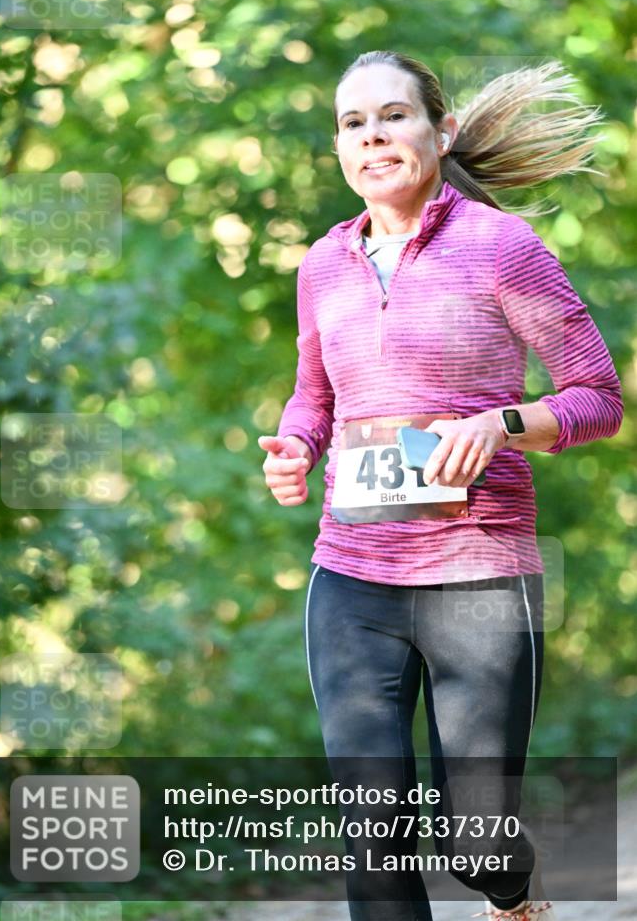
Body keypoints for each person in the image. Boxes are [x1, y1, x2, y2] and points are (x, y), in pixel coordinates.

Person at [258, 52, 623, 921]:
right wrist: (297, 448)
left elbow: (597, 397)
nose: (373, 136)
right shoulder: (321, 265)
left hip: (478, 577)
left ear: (439, 130)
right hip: (351, 577)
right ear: (339, 147)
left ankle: (510, 897)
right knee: (372, 829)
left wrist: (495, 426)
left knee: (476, 840)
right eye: (353, 123)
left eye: (393, 116)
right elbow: (315, 394)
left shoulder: (500, 245)